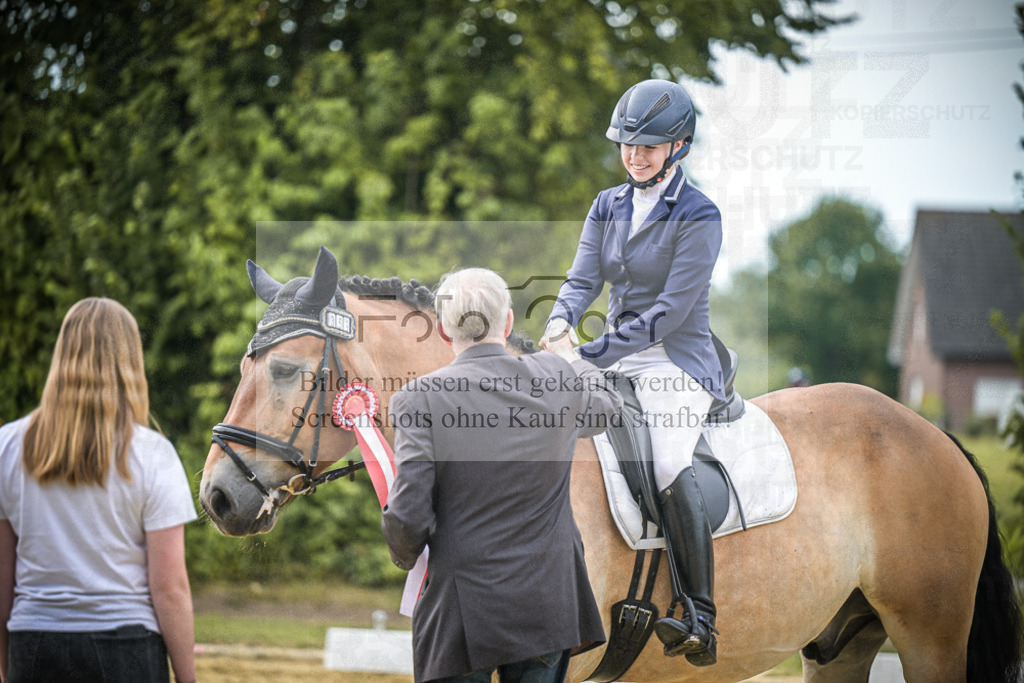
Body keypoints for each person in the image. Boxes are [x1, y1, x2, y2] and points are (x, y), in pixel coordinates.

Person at [541, 79, 725, 666]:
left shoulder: (699, 214)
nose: (635, 156)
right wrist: (559, 325)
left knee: (667, 461)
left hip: (677, 359)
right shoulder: (607, 204)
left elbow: (670, 312)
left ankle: (700, 616)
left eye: (648, 147)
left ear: (679, 147)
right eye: (627, 144)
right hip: (617, 353)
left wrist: (590, 354)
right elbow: (581, 280)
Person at [381, 268, 622, 683]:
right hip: (548, 603)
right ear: (508, 322)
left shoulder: (417, 398)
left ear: (444, 329)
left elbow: (407, 515)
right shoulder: (555, 376)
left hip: (461, 610)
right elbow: (608, 407)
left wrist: (406, 556)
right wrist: (571, 358)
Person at [0, 298, 197, 683]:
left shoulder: (7, 446)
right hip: (126, 649)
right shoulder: (153, 453)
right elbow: (169, 587)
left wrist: (7, 667)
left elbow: (2, 576)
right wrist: (187, 678)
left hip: (34, 643)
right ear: (130, 360)